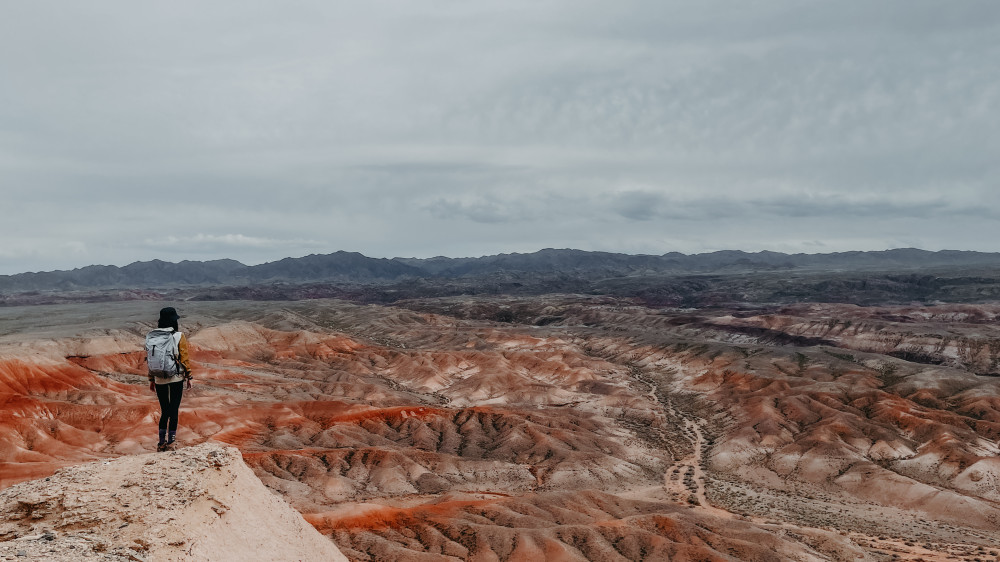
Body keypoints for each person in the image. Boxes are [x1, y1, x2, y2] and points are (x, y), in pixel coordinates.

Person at [146, 307, 193, 452]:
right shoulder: (179, 336)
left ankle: (161, 443)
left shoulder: (153, 336)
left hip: (159, 378)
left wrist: (152, 379)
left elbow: (150, 359)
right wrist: (189, 376)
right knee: (174, 410)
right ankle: (171, 442)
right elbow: (184, 358)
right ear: (174, 320)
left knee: (164, 411)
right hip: (175, 378)